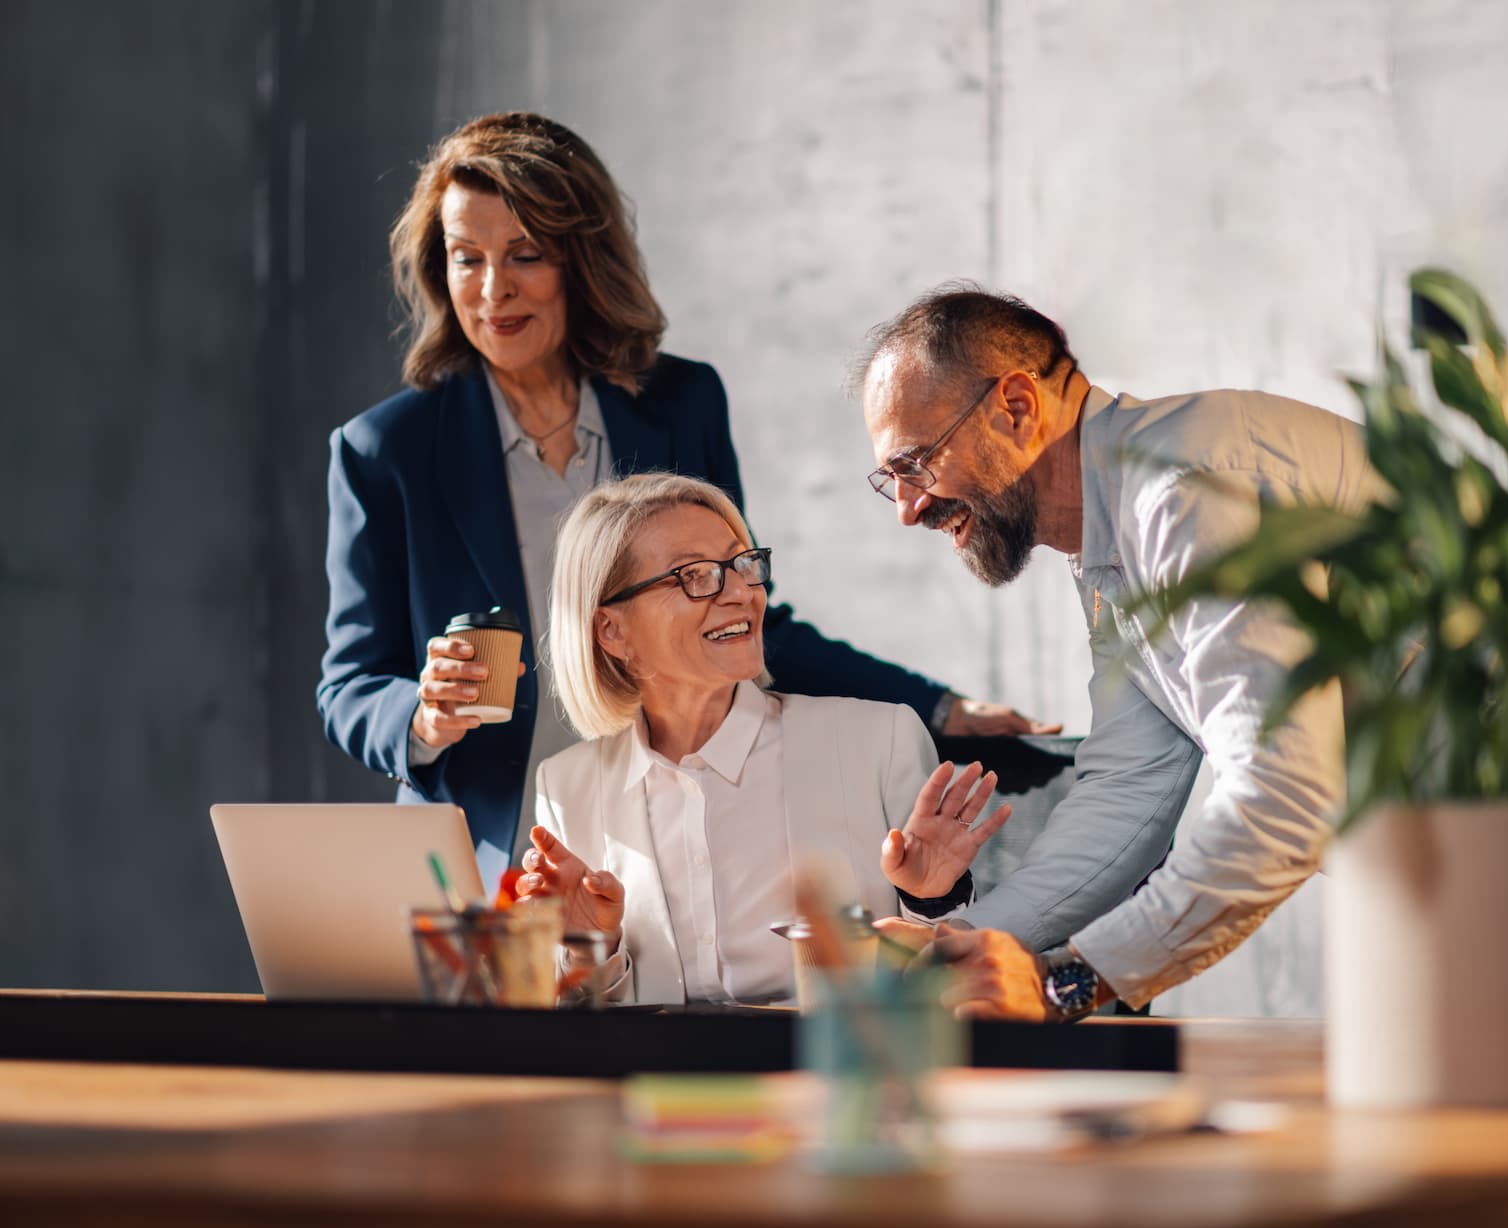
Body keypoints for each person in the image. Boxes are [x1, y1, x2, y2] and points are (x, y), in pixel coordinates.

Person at [317, 114, 1051, 880]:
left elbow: (744, 613)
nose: (493, 289)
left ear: (581, 258)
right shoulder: (384, 451)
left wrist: (939, 709)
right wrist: (425, 717)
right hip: (488, 861)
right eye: (467, 259)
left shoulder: (681, 404)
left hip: (683, 836)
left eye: (525, 254)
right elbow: (348, 688)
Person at [855, 286, 1370, 1021]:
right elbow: (1130, 786)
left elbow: (1282, 794)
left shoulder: (1184, 493)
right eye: (892, 480)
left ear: (1017, 408)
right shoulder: (1117, 529)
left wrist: (1067, 982)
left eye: (915, 463)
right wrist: (958, 945)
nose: (908, 509)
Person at [511, 473, 1008, 1005]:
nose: (740, 593)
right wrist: (592, 946)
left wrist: (931, 900)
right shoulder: (565, 787)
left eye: (742, 564)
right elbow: (578, 1028)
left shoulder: (878, 742)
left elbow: (954, 985)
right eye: (695, 576)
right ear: (612, 631)